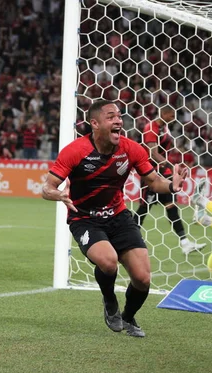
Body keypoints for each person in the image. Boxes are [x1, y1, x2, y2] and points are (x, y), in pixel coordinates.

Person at [42, 100, 188, 338]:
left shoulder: (131, 149)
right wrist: (58, 195)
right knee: (108, 261)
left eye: (119, 117)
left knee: (143, 278)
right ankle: (110, 301)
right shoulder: (75, 151)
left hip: (118, 216)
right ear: (95, 123)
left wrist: (172, 185)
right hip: (85, 219)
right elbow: (47, 187)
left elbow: (153, 181)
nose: (118, 120)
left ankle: (128, 317)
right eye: (111, 117)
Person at [134, 105, 205, 255]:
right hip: (151, 173)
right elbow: (153, 153)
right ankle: (127, 239)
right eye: (171, 116)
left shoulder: (164, 128)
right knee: (144, 208)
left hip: (163, 172)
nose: (173, 119)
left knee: (171, 206)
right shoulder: (150, 128)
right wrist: (172, 167)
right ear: (164, 113)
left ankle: (185, 243)